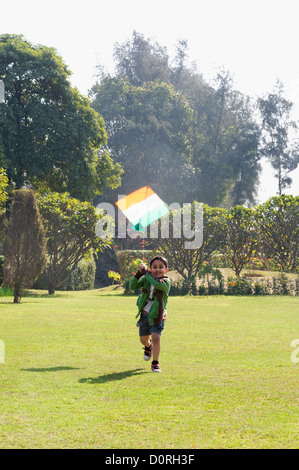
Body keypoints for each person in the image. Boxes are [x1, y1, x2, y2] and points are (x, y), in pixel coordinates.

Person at [129, 255, 171, 373]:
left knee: (156, 337)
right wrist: (139, 273)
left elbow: (157, 284)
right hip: (145, 314)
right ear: (151, 268)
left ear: (166, 270)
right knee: (143, 339)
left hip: (158, 315)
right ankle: (148, 347)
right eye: (154, 267)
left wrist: (147, 273)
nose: (158, 269)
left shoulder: (166, 281)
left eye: (161, 267)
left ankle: (155, 363)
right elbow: (132, 286)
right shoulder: (147, 279)